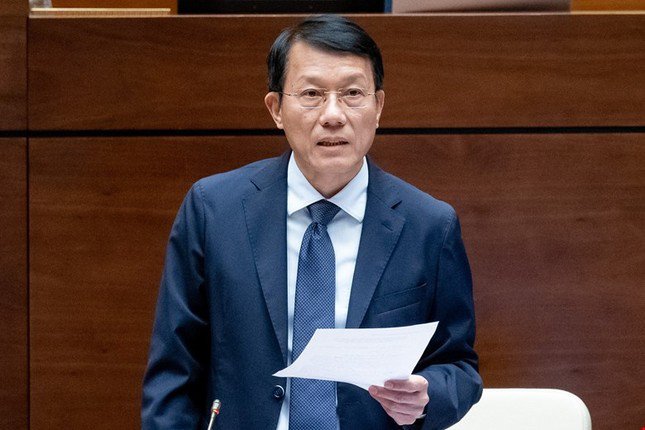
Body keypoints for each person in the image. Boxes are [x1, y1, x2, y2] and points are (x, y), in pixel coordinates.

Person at [142, 14, 482, 430]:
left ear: (378, 107)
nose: (333, 115)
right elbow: (174, 372)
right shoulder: (214, 211)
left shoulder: (429, 225)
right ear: (276, 109)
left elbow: (459, 365)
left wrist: (428, 394)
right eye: (311, 94)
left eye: (352, 93)